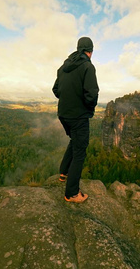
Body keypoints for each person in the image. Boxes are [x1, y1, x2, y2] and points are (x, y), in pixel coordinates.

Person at [52, 37, 99, 203]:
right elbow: (92, 94)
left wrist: (68, 98)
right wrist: (87, 108)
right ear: (90, 51)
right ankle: (72, 193)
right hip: (79, 116)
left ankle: (63, 172)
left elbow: (56, 89)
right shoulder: (87, 66)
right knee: (80, 151)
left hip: (64, 114)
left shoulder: (64, 67)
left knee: (75, 140)